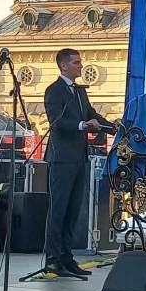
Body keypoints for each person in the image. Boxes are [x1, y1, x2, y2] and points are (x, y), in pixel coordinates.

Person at [43, 48, 111, 276]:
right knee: (59, 209)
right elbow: (56, 122)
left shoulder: (80, 92)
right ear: (63, 66)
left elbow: (91, 114)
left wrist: (113, 127)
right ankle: (53, 259)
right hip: (61, 158)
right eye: (76, 62)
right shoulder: (54, 91)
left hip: (79, 157)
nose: (80, 66)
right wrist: (82, 126)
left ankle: (66, 257)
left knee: (73, 210)